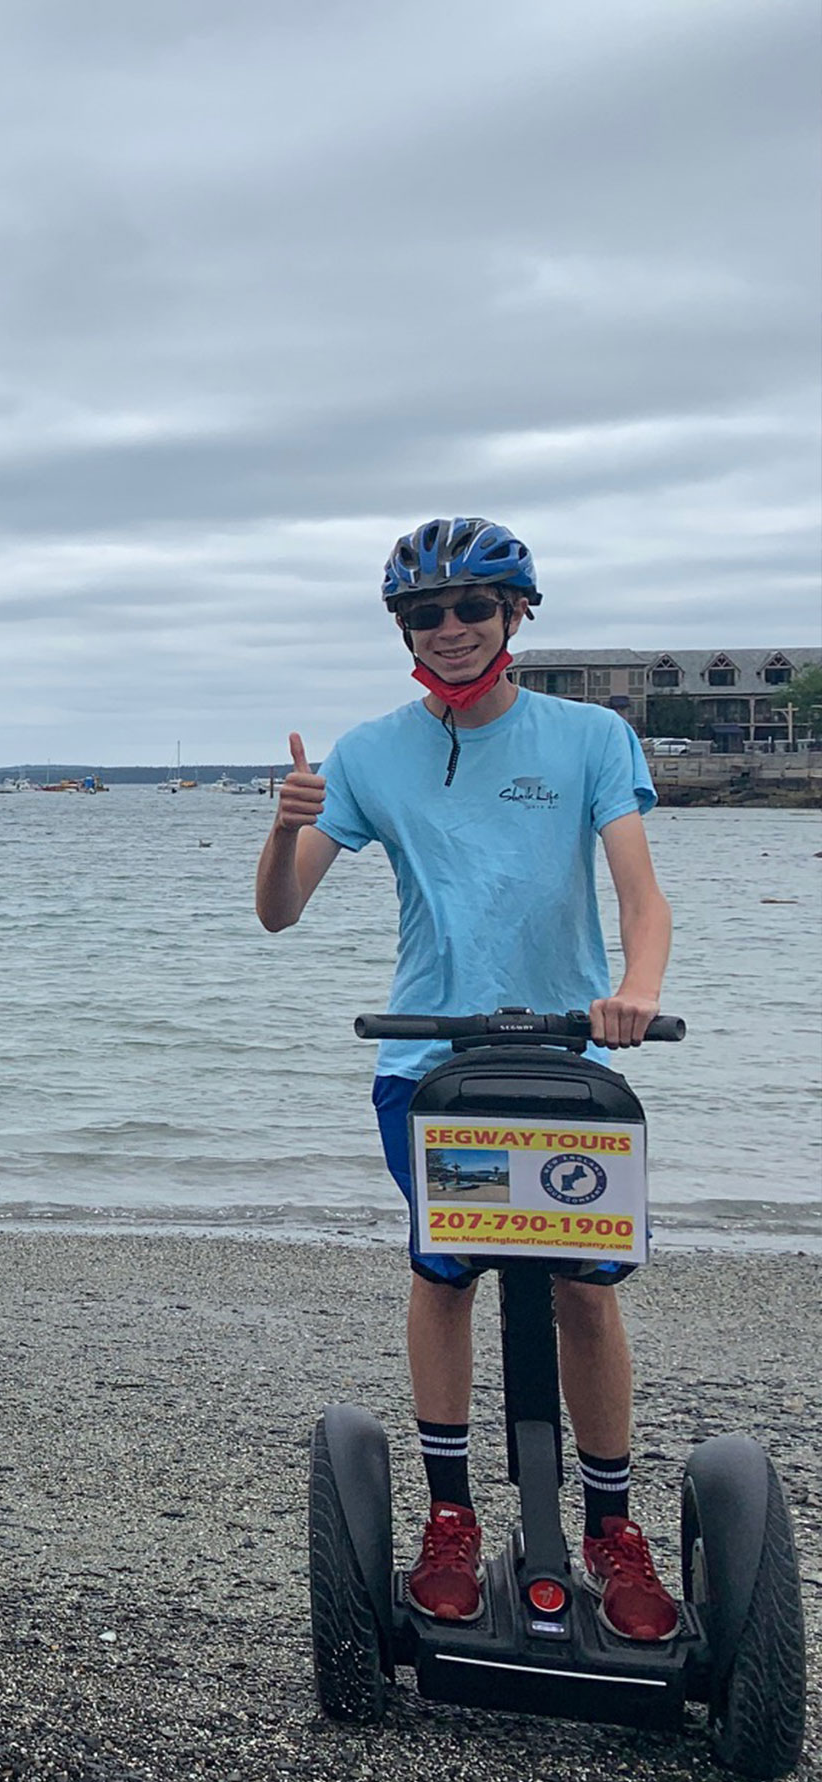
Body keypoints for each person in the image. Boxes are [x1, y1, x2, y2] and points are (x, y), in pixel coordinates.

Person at [256, 516, 677, 1641]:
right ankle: (450, 1517)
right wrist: (281, 826)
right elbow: (281, 910)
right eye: (427, 614)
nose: (450, 630)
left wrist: (634, 988)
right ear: (405, 628)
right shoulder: (369, 752)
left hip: (564, 1060)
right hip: (427, 1062)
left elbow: (640, 890)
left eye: (472, 610)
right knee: (446, 1275)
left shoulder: (591, 737)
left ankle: (609, 1527)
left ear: (515, 616)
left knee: (584, 1286)